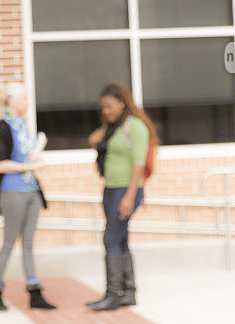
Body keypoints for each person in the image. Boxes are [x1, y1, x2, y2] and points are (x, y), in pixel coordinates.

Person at [85, 82, 158, 311]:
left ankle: (113, 294)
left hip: (126, 190)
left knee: (110, 238)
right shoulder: (114, 127)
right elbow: (94, 140)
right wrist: (106, 128)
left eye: (109, 106)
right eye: (102, 107)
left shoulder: (134, 126)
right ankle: (129, 292)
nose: (105, 111)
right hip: (110, 188)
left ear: (122, 103)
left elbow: (138, 162)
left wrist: (129, 196)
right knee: (120, 238)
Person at [0, 82, 57, 311]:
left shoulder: (23, 126)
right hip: (12, 192)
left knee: (28, 244)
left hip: (31, 192)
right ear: (11, 100)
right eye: (24, 98)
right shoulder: (3, 127)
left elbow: (26, 156)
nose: (27, 103)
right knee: (9, 242)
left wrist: (37, 153)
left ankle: (34, 291)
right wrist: (31, 164)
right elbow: (2, 165)